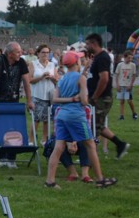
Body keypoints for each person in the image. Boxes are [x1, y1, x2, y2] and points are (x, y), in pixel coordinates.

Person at [44, 52, 116, 189]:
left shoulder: (62, 79)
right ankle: (100, 179)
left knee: (58, 147)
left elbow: (55, 100)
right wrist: (82, 97)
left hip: (61, 117)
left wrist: (70, 98)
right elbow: (84, 101)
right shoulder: (81, 79)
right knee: (90, 145)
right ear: (77, 62)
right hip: (76, 116)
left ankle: (50, 181)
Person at [0, 42, 34, 168]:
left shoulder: (21, 63)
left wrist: (29, 101)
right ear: (10, 54)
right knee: (1, 129)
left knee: (14, 129)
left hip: (13, 101)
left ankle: (12, 158)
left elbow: (27, 83)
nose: (20, 54)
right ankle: (2, 158)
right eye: (18, 52)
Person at [84, 33, 130, 160]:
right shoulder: (98, 57)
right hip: (98, 97)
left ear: (94, 43)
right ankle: (120, 144)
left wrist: (95, 96)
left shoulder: (102, 57)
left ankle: (89, 158)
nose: (86, 46)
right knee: (98, 125)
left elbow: (104, 78)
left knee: (93, 128)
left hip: (101, 98)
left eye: (87, 44)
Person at [28, 44, 57, 144]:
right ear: (38, 53)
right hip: (37, 95)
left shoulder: (52, 65)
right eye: (43, 52)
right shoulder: (33, 64)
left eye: (47, 52)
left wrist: (52, 78)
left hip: (49, 95)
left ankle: (44, 139)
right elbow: (29, 80)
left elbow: (57, 81)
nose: (45, 54)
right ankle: (31, 140)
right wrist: (41, 77)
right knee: (36, 119)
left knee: (47, 120)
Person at [114, 50, 138, 120]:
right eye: (129, 58)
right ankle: (121, 115)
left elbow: (134, 76)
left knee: (129, 100)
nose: (130, 59)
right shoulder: (120, 65)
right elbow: (117, 75)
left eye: (131, 58)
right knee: (121, 101)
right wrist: (117, 85)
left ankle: (134, 113)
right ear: (124, 57)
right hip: (121, 85)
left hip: (128, 85)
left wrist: (131, 85)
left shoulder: (133, 65)